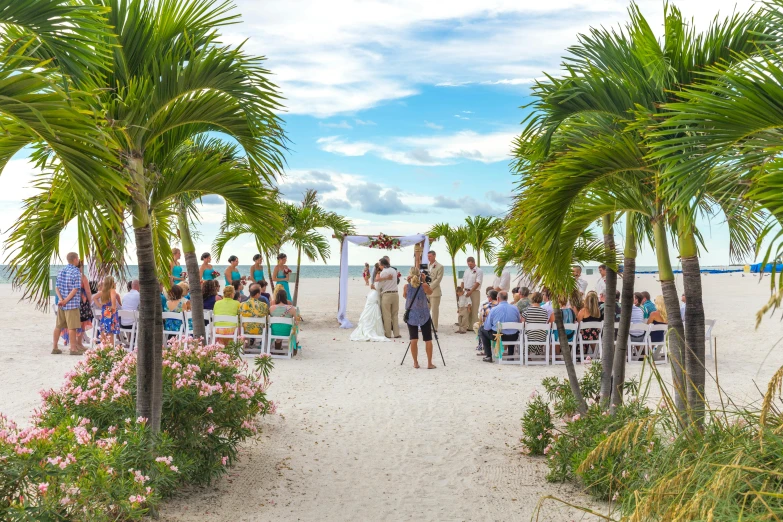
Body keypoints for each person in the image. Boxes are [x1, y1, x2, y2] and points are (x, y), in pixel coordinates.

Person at [52, 252, 86, 355]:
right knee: (72, 327)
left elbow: (56, 287)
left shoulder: (61, 270)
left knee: (58, 326)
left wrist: (61, 299)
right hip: (71, 305)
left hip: (61, 304)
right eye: (78, 258)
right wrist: (66, 300)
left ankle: (55, 347)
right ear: (75, 259)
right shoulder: (76, 272)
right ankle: (73, 349)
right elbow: (75, 289)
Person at [402, 267, 435, 369]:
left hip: (411, 315)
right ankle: (429, 363)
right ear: (420, 275)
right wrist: (424, 281)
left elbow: (405, 296)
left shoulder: (406, 286)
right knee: (428, 339)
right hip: (424, 314)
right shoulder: (424, 286)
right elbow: (430, 292)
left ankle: (415, 363)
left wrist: (409, 282)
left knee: (413, 339)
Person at [481, 291, 521, 362]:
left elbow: (487, 327)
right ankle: (510, 355)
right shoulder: (515, 308)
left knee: (482, 330)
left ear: (498, 298)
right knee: (511, 330)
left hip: (498, 336)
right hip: (513, 337)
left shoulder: (494, 310)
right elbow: (518, 322)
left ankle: (488, 355)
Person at [350, 275, 389, 342]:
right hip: (374, 294)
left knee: (371, 310)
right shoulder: (378, 279)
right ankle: (370, 330)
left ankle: (369, 328)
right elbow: (376, 286)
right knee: (372, 310)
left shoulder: (377, 279)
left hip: (373, 294)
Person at [376, 258, 400, 338]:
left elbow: (379, 286)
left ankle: (388, 334)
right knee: (395, 315)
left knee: (387, 315)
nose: (379, 266)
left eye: (380, 264)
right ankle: (396, 333)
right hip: (395, 294)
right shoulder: (393, 270)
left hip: (387, 295)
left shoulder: (383, 272)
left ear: (382, 265)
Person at [269, 287, 300, 352]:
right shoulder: (291, 308)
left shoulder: (271, 308)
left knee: (278, 326)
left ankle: (277, 345)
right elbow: (296, 322)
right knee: (294, 327)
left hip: (274, 331)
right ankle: (294, 344)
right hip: (287, 332)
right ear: (285, 297)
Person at [95, 276, 121, 347]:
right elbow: (113, 302)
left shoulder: (103, 291)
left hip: (105, 311)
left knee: (103, 331)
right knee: (110, 333)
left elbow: (94, 298)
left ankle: (102, 348)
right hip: (110, 311)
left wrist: (101, 306)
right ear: (111, 282)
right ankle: (110, 349)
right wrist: (113, 307)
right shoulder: (112, 291)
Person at [521, 292, 549, 356]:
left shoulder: (527, 311)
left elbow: (522, 324)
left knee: (525, 333)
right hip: (541, 339)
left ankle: (527, 355)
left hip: (529, 338)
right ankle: (537, 351)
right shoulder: (545, 312)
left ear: (532, 299)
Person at [462, 257, 483, 328]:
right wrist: (461, 290)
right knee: (467, 309)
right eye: (468, 264)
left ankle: (474, 326)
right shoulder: (466, 270)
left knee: (474, 309)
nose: (469, 266)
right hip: (466, 291)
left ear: (474, 262)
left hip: (474, 292)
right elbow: (463, 281)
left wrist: (471, 291)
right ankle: (468, 326)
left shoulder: (479, 271)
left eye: (471, 264)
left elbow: (478, 282)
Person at [426, 250, 444, 330]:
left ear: (434, 256)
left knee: (434, 310)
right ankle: (425, 326)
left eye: (430, 256)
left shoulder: (440, 266)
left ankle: (434, 327)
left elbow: (438, 279)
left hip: (435, 291)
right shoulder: (427, 265)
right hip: (426, 291)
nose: (428, 258)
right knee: (426, 309)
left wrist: (430, 287)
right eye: (428, 256)